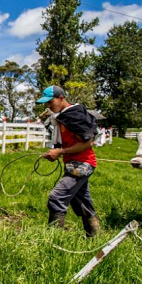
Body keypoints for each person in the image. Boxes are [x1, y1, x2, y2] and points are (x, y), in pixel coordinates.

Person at [36, 85, 99, 237]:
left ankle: (53, 241)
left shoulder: (74, 115)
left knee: (56, 198)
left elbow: (87, 143)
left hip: (82, 165)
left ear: (61, 98)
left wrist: (61, 151)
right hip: (74, 164)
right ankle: (93, 237)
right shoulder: (64, 116)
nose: (49, 106)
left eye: (50, 102)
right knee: (82, 201)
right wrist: (57, 153)